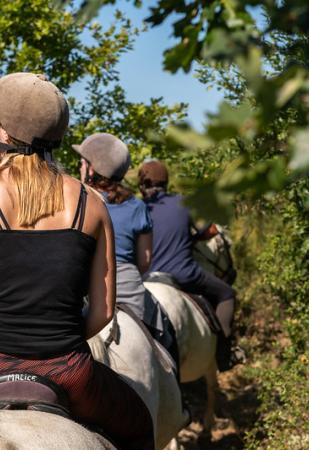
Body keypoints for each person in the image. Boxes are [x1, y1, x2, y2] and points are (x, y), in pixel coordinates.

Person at [0, 72, 154, 450]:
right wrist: (55, 340)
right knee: (139, 425)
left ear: (4, 133)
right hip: (69, 369)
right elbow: (103, 314)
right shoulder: (92, 204)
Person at [72, 133, 177, 363]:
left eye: (82, 162)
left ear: (91, 170)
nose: (79, 166)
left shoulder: (75, 200)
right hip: (128, 286)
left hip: (82, 285)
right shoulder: (137, 206)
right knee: (164, 335)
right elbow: (145, 260)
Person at [138, 159, 244, 371]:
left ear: (143, 186)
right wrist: (191, 237)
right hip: (184, 274)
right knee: (226, 294)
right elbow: (210, 231)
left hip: (146, 278)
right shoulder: (183, 203)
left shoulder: (136, 208)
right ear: (166, 183)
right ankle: (225, 354)